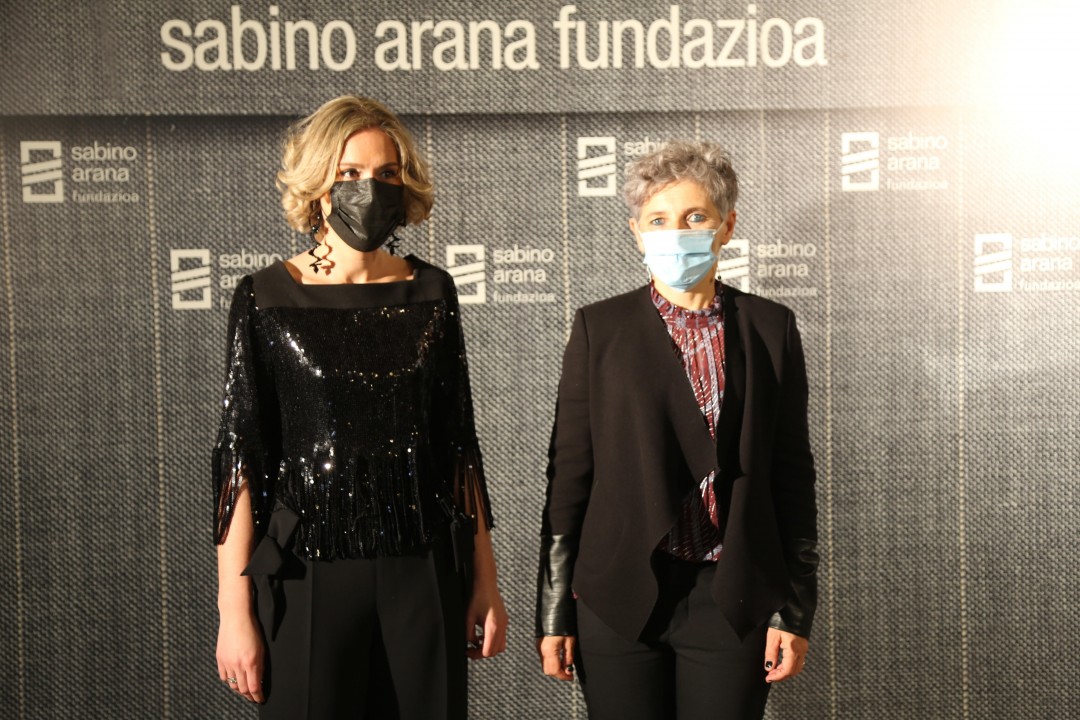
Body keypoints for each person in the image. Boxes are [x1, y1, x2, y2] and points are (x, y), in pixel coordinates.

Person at [212, 95, 507, 719]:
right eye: (349, 173)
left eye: (386, 173)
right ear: (319, 184)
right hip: (307, 569)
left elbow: (458, 445)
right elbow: (241, 461)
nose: (368, 189)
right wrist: (233, 612)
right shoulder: (266, 296)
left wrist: (486, 581)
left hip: (423, 564)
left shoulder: (431, 290)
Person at [536, 141, 818, 719]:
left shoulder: (770, 328)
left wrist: (793, 608)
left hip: (732, 596)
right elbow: (569, 479)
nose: (675, 232)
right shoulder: (599, 329)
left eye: (694, 217)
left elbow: (792, 478)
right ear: (637, 232)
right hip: (619, 597)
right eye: (658, 220)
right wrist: (555, 609)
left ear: (726, 226)